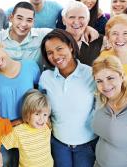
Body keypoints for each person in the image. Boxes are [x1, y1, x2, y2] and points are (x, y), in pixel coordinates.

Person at [39, 29, 97, 167]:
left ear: (71, 46)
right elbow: (43, 106)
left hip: (87, 144)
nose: (56, 55)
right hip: (59, 144)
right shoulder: (45, 77)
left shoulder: (91, 74)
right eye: (50, 53)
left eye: (60, 48)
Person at [0, 38, 40, 167]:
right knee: (6, 163)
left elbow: (39, 94)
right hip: (6, 130)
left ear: (2, 46)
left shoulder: (30, 66)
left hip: (29, 128)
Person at [1, 89, 53, 167]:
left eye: (45, 115)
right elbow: (0, 142)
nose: (41, 119)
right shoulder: (18, 131)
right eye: (37, 114)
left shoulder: (46, 127)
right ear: (27, 113)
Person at [0, 1, 52, 68]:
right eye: (19, 18)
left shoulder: (41, 35)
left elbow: (63, 35)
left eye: (29, 20)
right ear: (11, 18)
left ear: (33, 22)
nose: (23, 24)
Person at [62, 1, 104, 66]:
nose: (76, 22)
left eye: (81, 18)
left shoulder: (100, 41)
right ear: (64, 20)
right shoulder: (55, 39)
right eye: (72, 17)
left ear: (88, 20)